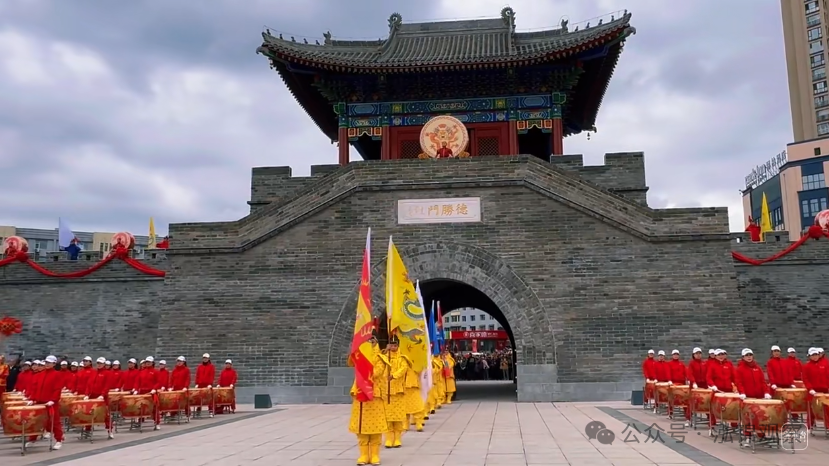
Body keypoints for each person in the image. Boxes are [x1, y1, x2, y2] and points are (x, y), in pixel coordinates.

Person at [25, 355, 65, 450]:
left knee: (54, 422)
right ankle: (32, 439)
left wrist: (53, 400)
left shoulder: (57, 374)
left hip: (50, 402)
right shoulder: (40, 374)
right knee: (36, 421)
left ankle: (59, 440)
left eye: (49, 363)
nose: (47, 364)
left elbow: (57, 389)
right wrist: (32, 399)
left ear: (54, 364)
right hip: (39, 402)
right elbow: (35, 388)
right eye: (46, 362)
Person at [735, 348, 772, 445]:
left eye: (750, 355)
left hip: (759, 396)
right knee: (748, 418)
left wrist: (766, 392)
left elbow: (763, 382)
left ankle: (761, 435)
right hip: (748, 398)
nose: (749, 357)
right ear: (743, 357)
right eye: (746, 355)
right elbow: (739, 382)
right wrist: (742, 392)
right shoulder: (740, 369)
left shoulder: (757, 368)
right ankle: (748, 436)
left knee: (760, 417)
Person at [383, 334, 409, 448]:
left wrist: (394, 376)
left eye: (395, 345)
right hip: (386, 390)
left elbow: (404, 369)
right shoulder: (384, 356)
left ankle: (398, 438)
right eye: (391, 345)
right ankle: (388, 438)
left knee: (397, 417)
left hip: (398, 390)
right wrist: (385, 351)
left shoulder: (402, 357)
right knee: (387, 417)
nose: (393, 347)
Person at [706, 349, 738, 435]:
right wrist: (712, 385)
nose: (721, 356)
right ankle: (712, 425)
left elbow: (734, 377)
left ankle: (734, 425)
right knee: (713, 408)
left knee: (732, 407)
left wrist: (736, 386)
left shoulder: (729, 364)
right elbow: (709, 377)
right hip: (717, 390)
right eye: (719, 354)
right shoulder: (712, 365)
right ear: (715, 356)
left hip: (728, 389)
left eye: (723, 354)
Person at [85, 359, 115, 439]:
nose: (99, 364)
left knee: (105, 414)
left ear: (104, 364)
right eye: (98, 363)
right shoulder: (93, 372)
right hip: (92, 396)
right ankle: (87, 430)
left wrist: (102, 394)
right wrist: (86, 394)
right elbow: (89, 384)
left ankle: (110, 430)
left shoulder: (107, 373)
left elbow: (107, 385)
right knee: (88, 413)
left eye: (100, 363)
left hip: (102, 397)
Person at [803, 347, 829, 429]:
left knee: (827, 409)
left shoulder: (824, 365)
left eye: (816, 355)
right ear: (809, 356)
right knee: (811, 409)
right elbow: (805, 379)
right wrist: (810, 389)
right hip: (813, 391)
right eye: (813, 355)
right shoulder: (807, 366)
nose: (815, 357)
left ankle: (828, 426)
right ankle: (810, 425)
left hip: (824, 390)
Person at [133, 357, 161, 430]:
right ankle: (140, 421)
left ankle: (157, 422)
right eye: (146, 362)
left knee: (154, 408)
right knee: (140, 407)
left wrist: (154, 389)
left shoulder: (155, 372)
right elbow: (137, 382)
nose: (148, 363)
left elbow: (158, 382)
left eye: (149, 362)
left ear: (152, 363)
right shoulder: (141, 372)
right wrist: (136, 389)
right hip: (142, 392)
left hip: (151, 392)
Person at [666, 350, 690, 425]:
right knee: (672, 398)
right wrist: (669, 380)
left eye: (677, 354)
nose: (676, 356)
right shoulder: (669, 364)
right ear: (672, 355)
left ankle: (686, 412)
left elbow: (686, 372)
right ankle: (670, 412)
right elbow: (668, 372)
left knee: (684, 398)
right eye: (674, 354)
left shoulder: (681, 364)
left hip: (682, 383)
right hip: (673, 383)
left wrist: (688, 379)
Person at [195, 353, 216, 418]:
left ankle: (211, 411)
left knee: (209, 398)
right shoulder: (199, 367)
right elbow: (197, 375)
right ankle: (198, 410)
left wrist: (210, 383)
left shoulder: (211, 366)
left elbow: (211, 376)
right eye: (204, 358)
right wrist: (197, 383)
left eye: (206, 358)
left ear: (208, 359)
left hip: (207, 384)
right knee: (199, 398)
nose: (205, 359)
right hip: (200, 384)